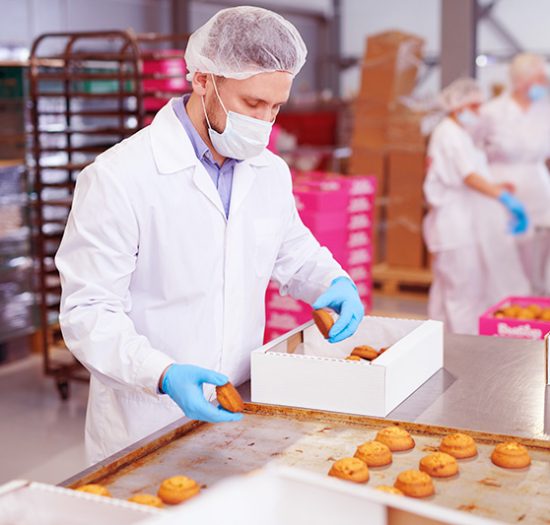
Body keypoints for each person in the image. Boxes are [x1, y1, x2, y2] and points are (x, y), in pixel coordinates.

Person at [55, 6, 364, 464]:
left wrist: (330, 282)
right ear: (202, 79)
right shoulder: (120, 177)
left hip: (239, 403)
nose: (263, 122)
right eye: (252, 104)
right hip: (147, 415)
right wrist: (162, 373)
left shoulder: (269, 171)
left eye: (276, 107)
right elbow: (88, 311)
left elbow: (291, 251)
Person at [423, 78, 530, 335]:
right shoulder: (448, 134)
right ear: (458, 106)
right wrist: (501, 197)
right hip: (453, 228)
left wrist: (499, 186)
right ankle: (463, 347)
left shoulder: (459, 133)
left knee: (448, 290)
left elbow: (470, 172)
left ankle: (440, 342)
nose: (478, 112)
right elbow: (468, 176)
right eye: (474, 106)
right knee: (463, 293)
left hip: (460, 225)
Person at [478, 53, 550, 294]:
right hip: (502, 190)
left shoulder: (546, 109)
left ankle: (538, 304)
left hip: (539, 188)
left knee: (539, 254)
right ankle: (505, 308)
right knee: (505, 255)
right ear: (522, 81)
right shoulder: (492, 111)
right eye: (540, 77)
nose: (545, 82)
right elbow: (475, 155)